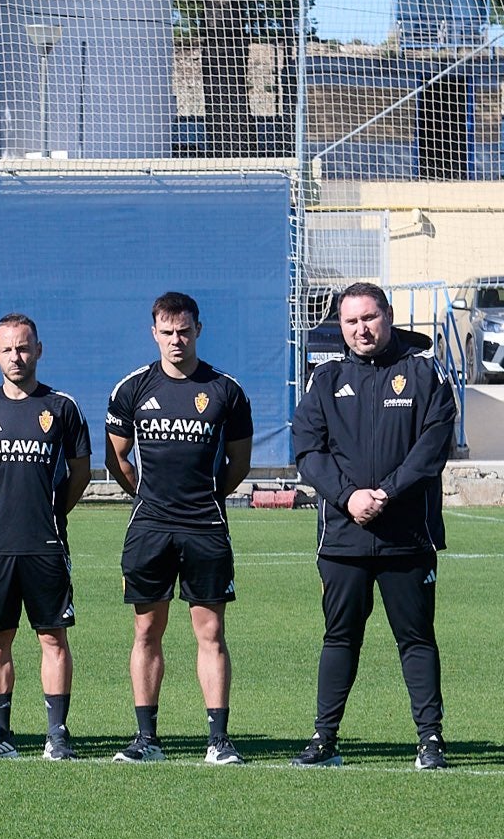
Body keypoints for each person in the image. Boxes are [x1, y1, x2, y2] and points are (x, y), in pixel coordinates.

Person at [291, 281, 455, 769]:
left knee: (417, 637)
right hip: (344, 537)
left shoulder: (424, 374)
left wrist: (386, 493)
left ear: (387, 317)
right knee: (339, 637)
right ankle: (324, 740)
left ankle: (430, 741)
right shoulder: (325, 380)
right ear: (340, 327)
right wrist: (347, 496)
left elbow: (433, 447)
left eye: (369, 318)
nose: (361, 329)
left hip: (407, 536)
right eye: (351, 321)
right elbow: (307, 449)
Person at [103, 292, 254, 765]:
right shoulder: (132, 388)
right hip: (149, 526)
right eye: (167, 332)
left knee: (210, 633)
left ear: (198, 330)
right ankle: (147, 739)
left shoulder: (226, 390)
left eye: (183, 331)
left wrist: (205, 497)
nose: (176, 340)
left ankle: (218, 740)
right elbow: (117, 458)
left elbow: (239, 463)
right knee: (147, 631)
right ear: (154, 333)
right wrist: (148, 498)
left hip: (205, 525)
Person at [0, 313, 91, 760]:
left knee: (52, 638)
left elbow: (80, 473)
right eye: (7, 349)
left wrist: (51, 512)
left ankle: (57, 733)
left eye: (24, 347)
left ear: (38, 350)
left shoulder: (62, 408)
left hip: (46, 544)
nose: (16, 356)